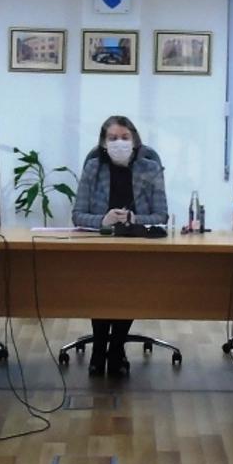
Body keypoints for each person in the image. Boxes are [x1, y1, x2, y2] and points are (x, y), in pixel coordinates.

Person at [70, 115, 169, 377]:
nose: (119, 143)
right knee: (101, 286)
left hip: (136, 248)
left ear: (135, 141)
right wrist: (103, 220)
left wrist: (134, 219)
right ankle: (98, 348)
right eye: (113, 138)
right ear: (103, 144)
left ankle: (116, 348)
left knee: (127, 287)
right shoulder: (93, 168)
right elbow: (77, 215)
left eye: (125, 137)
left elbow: (161, 216)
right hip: (99, 248)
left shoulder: (150, 169)